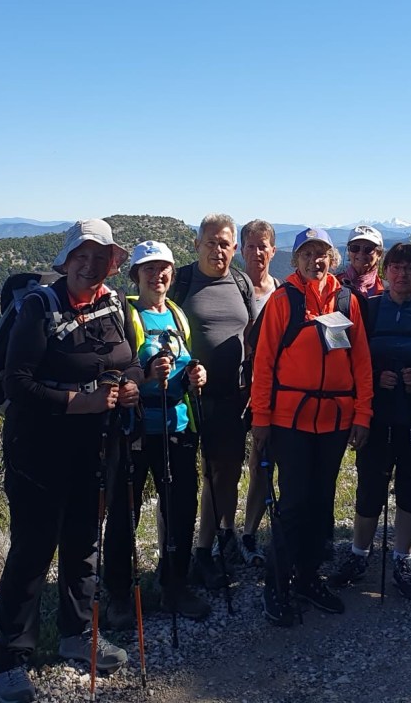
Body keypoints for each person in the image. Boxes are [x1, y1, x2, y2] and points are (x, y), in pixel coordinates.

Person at [0, 220, 142, 703]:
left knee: (83, 542)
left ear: (112, 264)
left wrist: (132, 384)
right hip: (38, 449)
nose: (91, 265)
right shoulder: (40, 306)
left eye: (101, 257)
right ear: (67, 259)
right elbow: (17, 384)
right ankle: (12, 658)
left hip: (96, 447)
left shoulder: (114, 305)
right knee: (33, 550)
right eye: (83, 255)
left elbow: (129, 361)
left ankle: (78, 634)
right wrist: (81, 402)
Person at [251, 228, 373, 626]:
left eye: (321, 253)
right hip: (291, 420)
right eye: (307, 253)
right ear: (295, 259)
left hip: (335, 421)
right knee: (293, 504)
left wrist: (362, 415)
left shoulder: (346, 301)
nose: (314, 260)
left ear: (332, 259)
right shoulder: (283, 300)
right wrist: (261, 420)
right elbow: (264, 364)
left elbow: (361, 363)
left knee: (321, 503)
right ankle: (276, 586)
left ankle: (307, 578)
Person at [329, 243, 411, 600]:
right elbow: (345, 363)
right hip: (377, 417)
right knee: (370, 487)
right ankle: (359, 555)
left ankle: (402, 560)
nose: (403, 274)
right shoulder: (367, 311)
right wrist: (373, 377)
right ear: (386, 273)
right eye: (396, 267)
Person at [104, 241, 210, 627]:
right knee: (124, 514)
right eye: (148, 269)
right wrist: (146, 376)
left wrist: (196, 375)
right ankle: (118, 594)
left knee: (180, 510)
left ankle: (175, 584)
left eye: (163, 268)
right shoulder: (126, 315)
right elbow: (116, 367)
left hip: (177, 427)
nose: (157, 275)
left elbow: (187, 360)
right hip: (135, 431)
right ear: (136, 275)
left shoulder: (178, 315)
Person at [168, 214, 255, 587]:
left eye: (224, 244)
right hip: (184, 400)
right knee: (180, 481)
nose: (218, 250)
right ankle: (173, 557)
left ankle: (205, 550)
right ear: (197, 244)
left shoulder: (241, 282)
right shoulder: (180, 281)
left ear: (234, 248)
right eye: (211, 242)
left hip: (231, 398)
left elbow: (250, 334)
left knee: (225, 475)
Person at [238, 219, 283, 565]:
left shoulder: (280, 291)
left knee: (261, 464)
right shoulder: (231, 287)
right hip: (233, 388)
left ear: (273, 250)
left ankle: (249, 533)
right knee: (222, 468)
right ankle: (225, 532)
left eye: (262, 246)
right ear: (241, 250)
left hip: (268, 391)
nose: (257, 252)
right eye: (250, 246)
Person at [336, 225, 386, 298]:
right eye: (355, 248)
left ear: (379, 254)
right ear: (349, 252)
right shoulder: (333, 284)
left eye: (368, 249)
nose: (361, 253)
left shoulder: (388, 291)